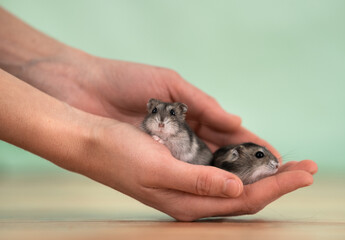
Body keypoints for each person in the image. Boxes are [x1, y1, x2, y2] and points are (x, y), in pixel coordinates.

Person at [0, 8, 317, 221]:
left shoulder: (192, 141)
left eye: (170, 117)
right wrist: (88, 140)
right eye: (156, 115)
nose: (162, 121)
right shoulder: (170, 130)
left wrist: (82, 77)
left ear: (181, 117)